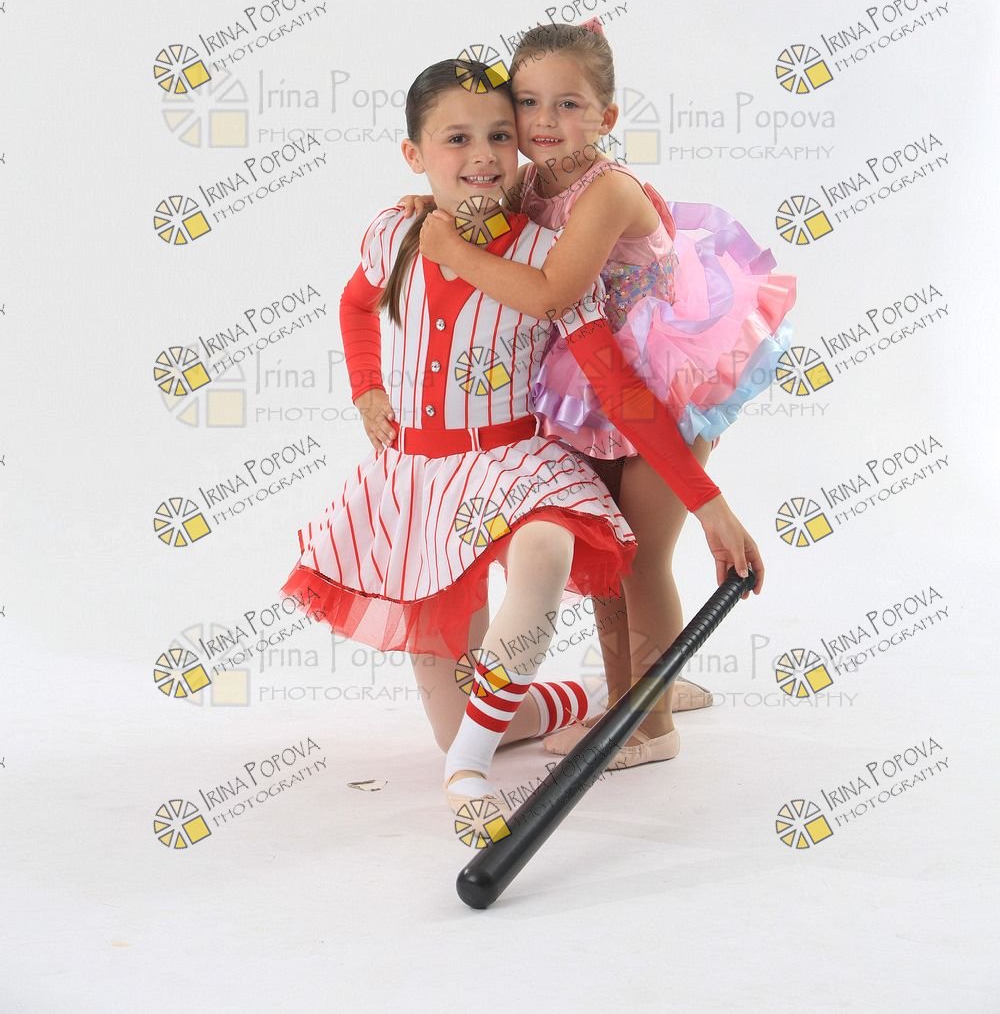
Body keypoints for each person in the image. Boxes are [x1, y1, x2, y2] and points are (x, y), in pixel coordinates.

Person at [280, 56, 762, 842]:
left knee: (559, 549)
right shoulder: (396, 231)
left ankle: (484, 767)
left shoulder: (550, 251)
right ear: (414, 154)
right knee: (460, 719)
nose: (483, 155)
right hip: (421, 483)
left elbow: (618, 387)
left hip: (516, 463)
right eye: (457, 139)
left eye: (500, 136)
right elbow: (356, 301)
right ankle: (602, 695)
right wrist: (366, 386)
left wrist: (711, 506)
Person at [400, 18, 794, 769]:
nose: (546, 120)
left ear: (606, 116)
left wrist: (449, 247)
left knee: (642, 559)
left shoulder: (607, 190)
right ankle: (637, 693)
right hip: (590, 381)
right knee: (610, 558)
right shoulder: (529, 182)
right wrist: (431, 208)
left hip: (660, 384)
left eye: (570, 104)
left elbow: (552, 292)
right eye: (529, 103)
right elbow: (485, 220)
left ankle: (651, 727)